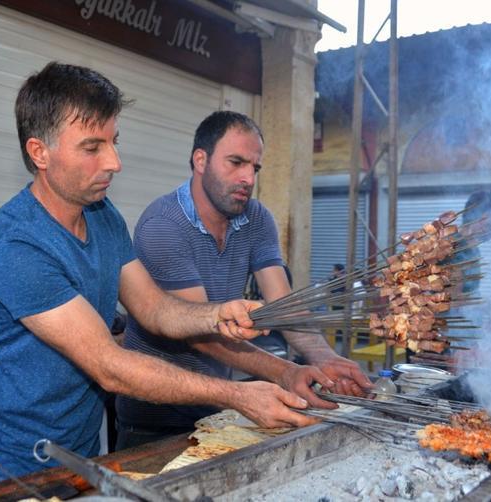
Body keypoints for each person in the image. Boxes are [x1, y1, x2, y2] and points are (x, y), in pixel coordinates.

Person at [0, 63, 332, 488]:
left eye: (114, 142)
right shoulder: (16, 245)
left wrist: (218, 313)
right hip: (5, 469)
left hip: (79, 456)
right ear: (40, 152)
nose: (114, 162)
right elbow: (109, 366)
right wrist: (239, 395)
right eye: (92, 147)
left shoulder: (101, 215)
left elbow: (154, 308)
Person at [115, 111, 372, 450]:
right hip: (156, 416)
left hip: (221, 406)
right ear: (200, 160)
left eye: (255, 167)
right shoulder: (163, 225)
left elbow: (285, 307)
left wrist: (323, 358)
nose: (248, 178)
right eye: (235, 162)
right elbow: (200, 333)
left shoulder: (256, 218)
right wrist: (284, 371)